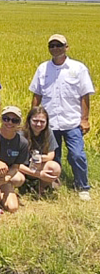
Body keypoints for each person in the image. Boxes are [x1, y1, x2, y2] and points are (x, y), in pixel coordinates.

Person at [29, 34, 94, 201]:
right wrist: (34, 117)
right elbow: (37, 94)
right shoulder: (43, 69)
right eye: (52, 45)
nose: (55, 48)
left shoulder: (78, 68)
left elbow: (84, 95)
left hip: (71, 121)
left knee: (77, 154)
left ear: (67, 47)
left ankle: (82, 186)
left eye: (59, 45)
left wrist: (84, 119)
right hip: (49, 123)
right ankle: (53, 184)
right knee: (53, 156)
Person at [0, 106, 28, 213]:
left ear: (19, 123)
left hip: (5, 174)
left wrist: (6, 178)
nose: (10, 122)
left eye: (14, 120)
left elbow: (16, 166)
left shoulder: (22, 142)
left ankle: (5, 191)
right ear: (1, 119)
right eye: (6, 119)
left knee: (13, 208)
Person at [20, 106, 62, 193]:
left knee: (55, 167)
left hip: (38, 165)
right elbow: (16, 164)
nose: (38, 124)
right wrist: (39, 174)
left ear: (47, 122)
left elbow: (51, 154)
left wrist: (39, 158)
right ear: (29, 120)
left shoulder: (48, 132)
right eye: (35, 121)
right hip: (22, 168)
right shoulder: (21, 134)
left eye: (42, 122)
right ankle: (22, 188)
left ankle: (40, 188)